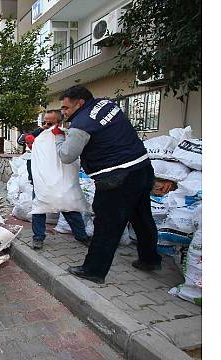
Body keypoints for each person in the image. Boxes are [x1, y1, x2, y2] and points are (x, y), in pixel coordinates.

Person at [53, 85, 162, 284]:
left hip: (116, 179)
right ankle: (150, 260)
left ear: (80, 103)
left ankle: (93, 270)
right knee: (142, 217)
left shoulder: (82, 124)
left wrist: (59, 137)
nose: (64, 112)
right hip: (143, 169)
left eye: (66, 108)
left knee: (106, 225)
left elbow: (67, 155)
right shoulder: (107, 104)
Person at [17, 110, 89, 250]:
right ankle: (38, 237)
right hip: (42, 180)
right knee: (39, 209)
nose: (46, 124)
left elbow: (70, 153)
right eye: (44, 121)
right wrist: (39, 131)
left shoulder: (64, 135)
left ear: (59, 121)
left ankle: (81, 236)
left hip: (61, 178)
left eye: (50, 122)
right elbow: (23, 139)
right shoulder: (39, 134)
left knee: (68, 206)